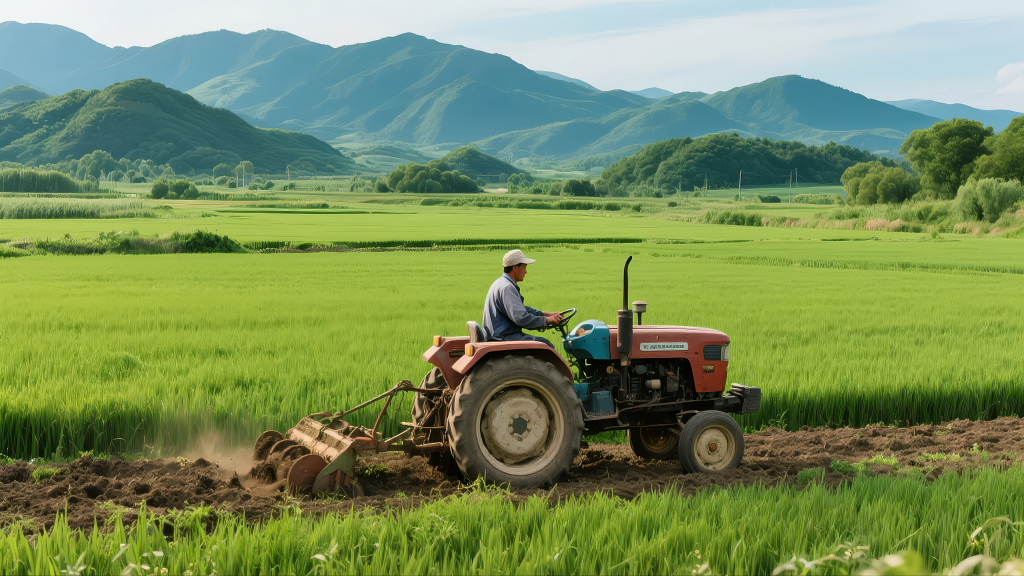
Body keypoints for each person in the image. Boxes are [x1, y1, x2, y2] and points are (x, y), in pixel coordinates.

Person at [482, 249, 564, 349]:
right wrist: (546, 321)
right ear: (515, 268)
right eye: (524, 267)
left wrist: (547, 315)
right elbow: (521, 317)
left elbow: (521, 309)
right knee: (545, 345)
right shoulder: (507, 288)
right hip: (504, 337)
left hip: (501, 335)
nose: (526, 271)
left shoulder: (501, 283)